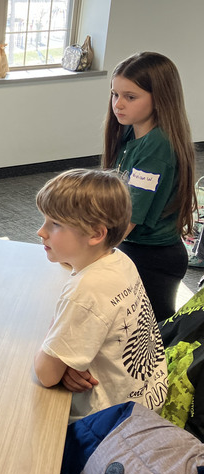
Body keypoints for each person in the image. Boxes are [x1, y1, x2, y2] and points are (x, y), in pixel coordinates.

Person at [33, 168, 168, 422]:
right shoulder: (121, 259)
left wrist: (54, 334)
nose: (41, 232)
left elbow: (46, 375)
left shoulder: (85, 292)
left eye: (55, 224)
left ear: (96, 234)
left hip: (110, 423)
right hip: (149, 399)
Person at [103, 52, 196, 322]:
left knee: (150, 340)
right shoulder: (133, 131)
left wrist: (82, 254)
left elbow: (128, 220)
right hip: (135, 248)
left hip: (153, 258)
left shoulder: (156, 148)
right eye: (114, 94)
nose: (117, 105)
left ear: (160, 98)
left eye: (130, 97)